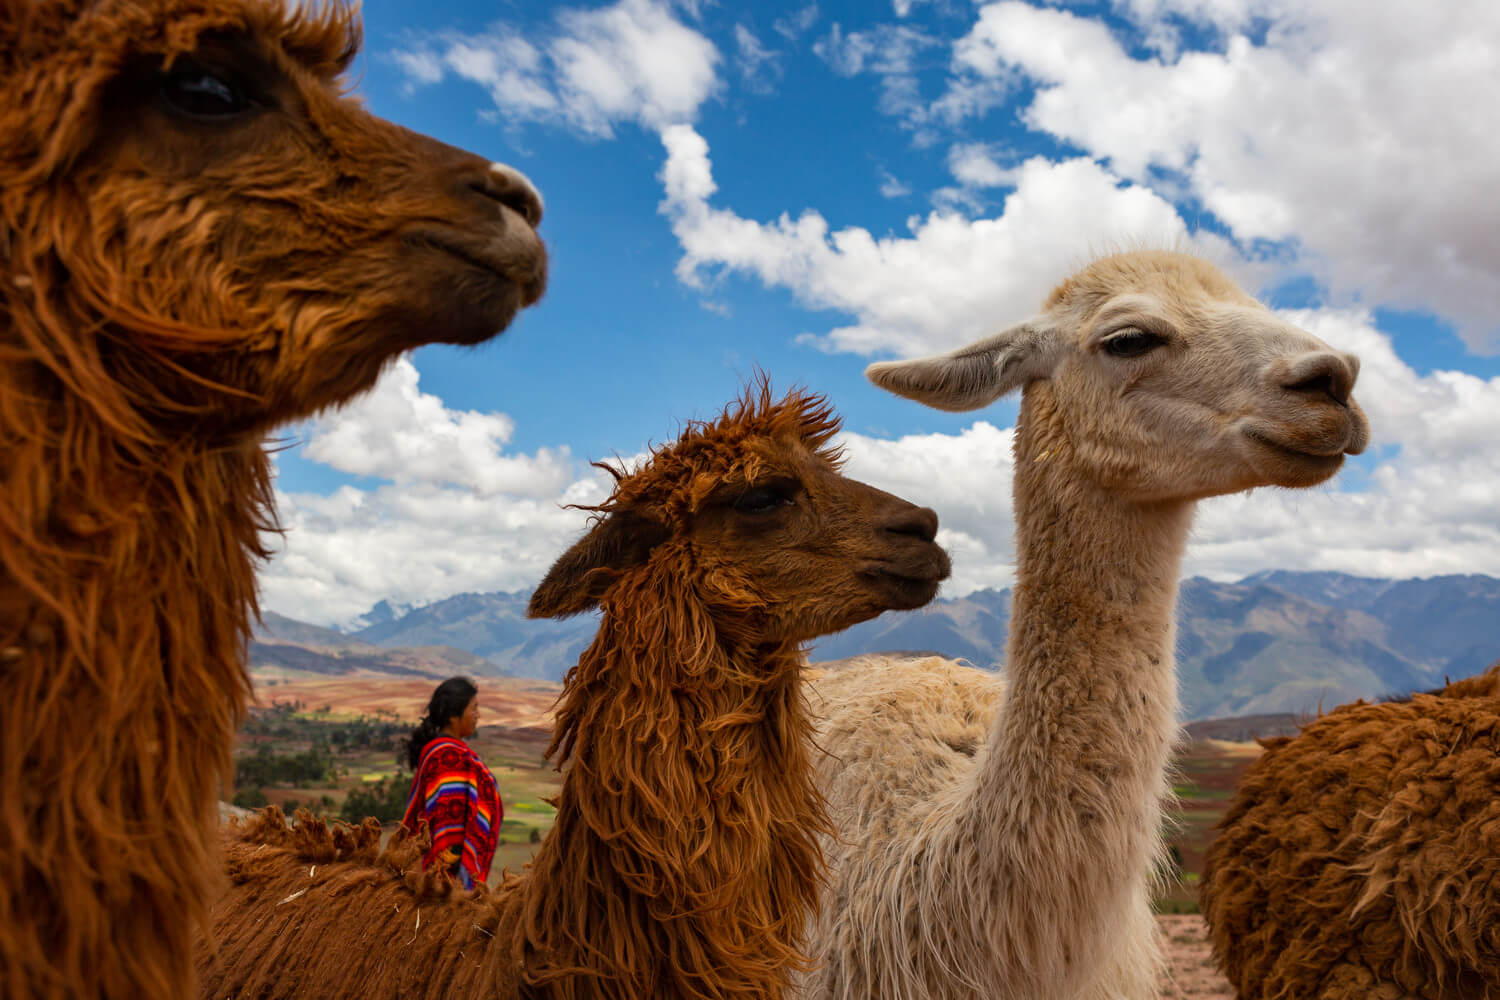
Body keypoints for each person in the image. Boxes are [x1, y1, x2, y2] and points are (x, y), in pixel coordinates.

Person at [399, 676, 502, 889]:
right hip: (441, 877)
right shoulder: (446, 757)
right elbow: (445, 821)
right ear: (455, 716)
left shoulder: (450, 753)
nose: (478, 715)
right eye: (473, 708)